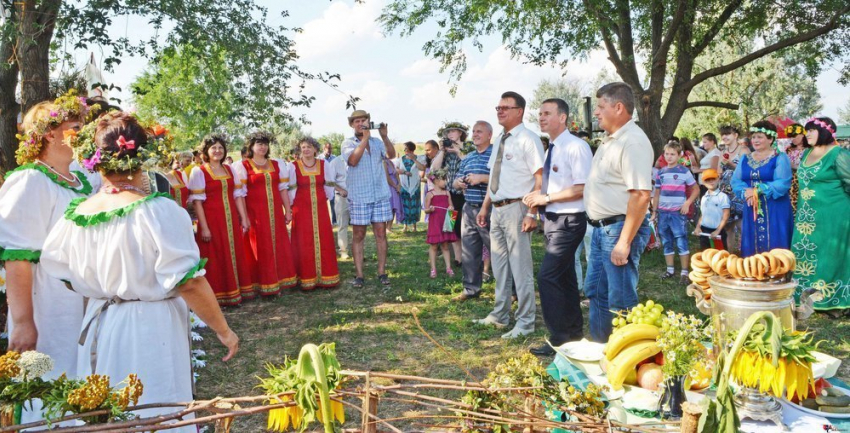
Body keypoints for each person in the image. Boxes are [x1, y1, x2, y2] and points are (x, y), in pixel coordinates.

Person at [41, 112, 238, 431]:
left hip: (101, 323)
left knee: (111, 411)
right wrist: (224, 331)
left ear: (95, 158)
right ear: (145, 156)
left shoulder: (76, 214)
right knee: (154, 407)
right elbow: (188, 283)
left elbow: (64, 273)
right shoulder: (159, 211)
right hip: (149, 326)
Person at [0, 92, 94, 423]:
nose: (83, 132)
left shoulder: (83, 181)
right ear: (50, 134)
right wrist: (25, 322)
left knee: (78, 382)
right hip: (48, 305)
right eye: (75, 126)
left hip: (80, 301)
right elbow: (18, 258)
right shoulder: (30, 181)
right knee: (46, 382)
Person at [583, 82, 653, 343]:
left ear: (619, 107)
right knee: (596, 291)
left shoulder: (632, 142)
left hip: (619, 230)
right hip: (603, 230)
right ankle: (603, 349)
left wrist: (624, 242)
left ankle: (628, 355)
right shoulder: (611, 140)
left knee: (620, 298)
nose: (596, 113)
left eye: (601, 106)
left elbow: (641, 194)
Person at [522, 99, 592, 355]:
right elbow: (549, 184)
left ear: (562, 117)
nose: (541, 118)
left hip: (569, 219)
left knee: (548, 277)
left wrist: (547, 199)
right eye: (539, 114)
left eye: (547, 113)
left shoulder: (576, 146)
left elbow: (581, 187)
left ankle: (559, 339)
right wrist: (535, 202)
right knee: (564, 277)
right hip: (552, 220)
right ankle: (573, 335)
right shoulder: (551, 147)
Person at [473, 91, 544, 339]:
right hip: (497, 208)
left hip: (518, 208)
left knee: (520, 267)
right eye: (498, 107)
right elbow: (495, 177)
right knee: (500, 266)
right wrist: (485, 207)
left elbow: (539, 178)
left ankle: (525, 321)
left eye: (505, 107)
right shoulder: (501, 140)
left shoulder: (528, 139)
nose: (500, 111)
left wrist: (532, 212)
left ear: (519, 111)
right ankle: (500, 314)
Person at [792, 117, 850, 314]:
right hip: (807, 216)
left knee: (830, 255)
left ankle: (832, 301)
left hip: (834, 215)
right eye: (806, 131)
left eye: (811, 130)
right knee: (806, 255)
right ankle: (805, 296)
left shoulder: (838, 154)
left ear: (825, 131)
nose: (806, 134)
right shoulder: (806, 153)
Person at [189, 134, 254, 305]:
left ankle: (235, 292)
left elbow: (238, 195)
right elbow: (197, 202)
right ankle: (217, 296)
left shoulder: (230, 169)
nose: (217, 151)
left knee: (233, 252)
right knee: (216, 256)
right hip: (212, 220)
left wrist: (244, 218)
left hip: (230, 219)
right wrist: (204, 227)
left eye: (220, 147)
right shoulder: (199, 171)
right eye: (213, 148)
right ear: (206, 151)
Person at [232, 131, 298, 296]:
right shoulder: (243, 166)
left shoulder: (277, 164)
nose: (263, 147)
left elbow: (282, 190)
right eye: (259, 144)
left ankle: (281, 281)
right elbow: (239, 194)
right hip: (255, 214)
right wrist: (244, 217)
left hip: (274, 213)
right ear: (252, 146)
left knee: (278, 245)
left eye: (265, 144)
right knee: (260, 247)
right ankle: (262, 284)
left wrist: (288, 210)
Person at [341, 109, 396, 287]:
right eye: (357, 121)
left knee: (381, 234)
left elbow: (391, 155)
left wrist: (385, 137)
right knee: (359, 235)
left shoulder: (377, 142)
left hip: (379, 194)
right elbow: (353, 161)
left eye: (363, 120)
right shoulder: (347, 143)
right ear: (352, 124)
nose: (360, 123)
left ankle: (382, 272)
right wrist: (364, 139)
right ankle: (359, 275)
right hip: (359, 196)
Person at [731, 121, 793, 257]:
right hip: (751, 205)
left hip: (775, 206)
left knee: (776, 240)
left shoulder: (780, 158)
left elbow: (783, 182)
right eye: (754, 137)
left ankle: (778, 273)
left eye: (760, 137)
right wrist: (745, 192)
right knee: (752, 241)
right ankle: (754, 272)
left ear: (770, 139)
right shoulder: (745, 159)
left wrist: (758, 190)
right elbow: (736, 180)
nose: (755, 140)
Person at [288, 137, 341, 289]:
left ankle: (326, 276)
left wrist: (323, 198)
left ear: (315, 149)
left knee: (323, 237)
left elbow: (329, 185)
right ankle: (306, 277)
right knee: (303, 240)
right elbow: (291, 188)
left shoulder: (324, 165)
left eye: (309, 147)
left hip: (320, 208)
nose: (306, 150)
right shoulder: (293, 166)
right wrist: (293, 205)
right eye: (303, 147)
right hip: (301, 208)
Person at [452, 121, 493, 301]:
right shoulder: (468, 157)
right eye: (474, 131)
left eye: (480, 131)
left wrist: (482, 178)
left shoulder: (495, 155)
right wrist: (458, 183)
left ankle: (512, 290)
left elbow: (504, 179)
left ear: (490, 135)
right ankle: (471, 289)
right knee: (469, 251)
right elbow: (454, 181)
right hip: (469, 208)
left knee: (498, 251)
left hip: (490, 209)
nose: (475, 134)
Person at [652, 141, 699, 283]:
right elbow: (657, 193)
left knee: (681, 239)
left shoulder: (684, 171)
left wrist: (687, 203)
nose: (669, 157)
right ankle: (670, 269)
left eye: (673, 154)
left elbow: (696, 189)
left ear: (679, 156)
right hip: (663, 212)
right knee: (666, 240)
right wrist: (654, 211)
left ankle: (685, 272)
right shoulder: (661, 172)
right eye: (667, 154)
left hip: (677, 213)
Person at [438, 122, 469, 266]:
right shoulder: (446, 151)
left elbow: (469, 163)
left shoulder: (469, 147)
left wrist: (457, 151)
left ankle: (470, 257)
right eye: (448, 132)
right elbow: (434, 168)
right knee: (451, 226)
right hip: (450, 195)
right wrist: (442, 151)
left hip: (466, 194)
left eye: (453, 131)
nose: (450, 134)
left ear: (460, 133)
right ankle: (458, 259)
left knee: (467, 226)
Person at [718, 125, 750, 252]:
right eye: (723, 134)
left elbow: (746, 172)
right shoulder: (722, 152)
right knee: (728, 226)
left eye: (728, 134)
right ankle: (730, 256)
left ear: (736, 135)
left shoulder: (744, 150)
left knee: (742, 225)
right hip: (725, 191)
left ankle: (747, 255)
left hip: (739, 191)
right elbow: (718, 172)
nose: (724, 137)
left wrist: (730, 163)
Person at [424, 169, 458, 277]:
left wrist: (451, 207)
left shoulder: (447, 193)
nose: (446, 182)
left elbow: (451, 206)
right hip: (435, 223)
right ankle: (433, 269)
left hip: (446, 221)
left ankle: (448, 268)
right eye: (444, 179)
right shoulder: (430, 194)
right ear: (437, 181)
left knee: (445, 245)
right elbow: (426, 209)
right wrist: (430, 209)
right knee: (434, 246)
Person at [694, 168, 730, 250]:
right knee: (706, 254)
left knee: (720, 256)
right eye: (707, 180)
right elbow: (703, 214)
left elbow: (726, 214)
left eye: (713, 179)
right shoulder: (704, 197)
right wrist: (698, 227)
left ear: (718, 179)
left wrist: (718, 230)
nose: (711, 182)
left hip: (718, 231)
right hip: (704, 230)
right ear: (703, 182)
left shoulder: (722, 196)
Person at [398, 141, 426, 231]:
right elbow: (396, 169)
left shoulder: (419, 158)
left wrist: (414, 159)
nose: (404, 150)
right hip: (404, 185)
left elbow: (422, 168)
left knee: (415, 205)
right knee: (405, 205)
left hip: (415, 185)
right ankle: (405, 226)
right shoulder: (401, 159)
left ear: (411, 149)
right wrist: (404, 172)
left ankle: (414, 227)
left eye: (406, 148)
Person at [329, 149, 351, 259]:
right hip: (341, 197)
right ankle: (343, 251)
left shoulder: (358, 160)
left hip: (357, 197)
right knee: (342, 224)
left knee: (359, 225)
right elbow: (330, 181)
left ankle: (359, 250)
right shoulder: (335, 162)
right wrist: (341, 190)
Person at [784, 123, 810, 213]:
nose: (792, 139)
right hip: (789, 181)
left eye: (794, 136)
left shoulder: (810, 149)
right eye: (790, 137)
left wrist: (794, 166)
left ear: (803, 135)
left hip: (803, 181)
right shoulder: (788, 149)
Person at [384, 154, 405, 232]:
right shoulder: (383, 162)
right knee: (389, 206)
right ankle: (385, 227)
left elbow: (396, 174)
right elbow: (387, 177)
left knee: (394, 206)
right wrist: (395, 186)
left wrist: (399, 184)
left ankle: (389, 227)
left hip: (395, 186)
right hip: (389, 186)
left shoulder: (390, 162)